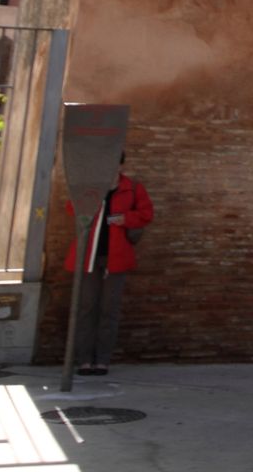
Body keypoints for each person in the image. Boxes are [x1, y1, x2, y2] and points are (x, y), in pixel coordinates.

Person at [64, 152, 154, 376]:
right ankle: (84, 359)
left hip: (116, 257)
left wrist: (125, 218)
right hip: (89, 256)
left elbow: (146, 214)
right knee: (86, 308)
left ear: (121, 164)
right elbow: (71, 209)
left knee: (109, 310)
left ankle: (102, 360)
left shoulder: (132, 188)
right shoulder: (91, 186)